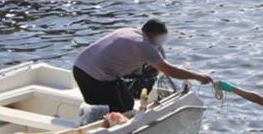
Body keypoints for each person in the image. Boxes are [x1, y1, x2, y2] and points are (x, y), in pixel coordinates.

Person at [73, 19, 212, 112]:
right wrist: (198, 76)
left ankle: (97, 125)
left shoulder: (127, 31)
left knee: (98, 105)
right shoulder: (144, 46)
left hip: (79, 69)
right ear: (154, 34)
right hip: (98, 77)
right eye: (161, 38)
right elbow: (170, 71)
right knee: (125, 105)